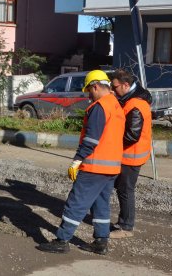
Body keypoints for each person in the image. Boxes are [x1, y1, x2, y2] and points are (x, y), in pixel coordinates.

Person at [37, 70, 125, 255]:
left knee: (76, 203)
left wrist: (77, 160)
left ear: (95, 86)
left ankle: (62, 240)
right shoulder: (115, 105)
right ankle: (101, 242)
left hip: (94, 166)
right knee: (100, 204)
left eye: (89, 91)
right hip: (112, 167)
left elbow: (91, 140)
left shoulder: (99, 107)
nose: (88, 95)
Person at [109, 69, 152, 239]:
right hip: (132, 154)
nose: (113, 90)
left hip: (131, 155)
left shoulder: (135, 105)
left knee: (125, 190)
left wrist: (112, 143)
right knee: (123, 189)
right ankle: (124, 222)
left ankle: (126, 227)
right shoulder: (132, 99)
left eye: (115, 86)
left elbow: (132, 135)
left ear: (126, 85)